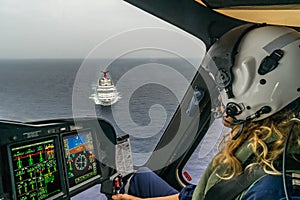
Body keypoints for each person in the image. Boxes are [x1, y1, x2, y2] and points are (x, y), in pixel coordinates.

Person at [112, 24, 300, 200]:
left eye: (225, 84)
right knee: (139, 178)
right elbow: (216, 191)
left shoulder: (272, 188)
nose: (220, 97)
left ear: (256, 84)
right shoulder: (273, 146)